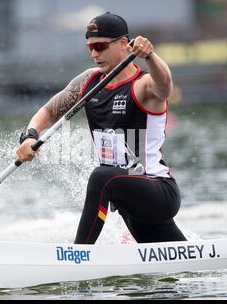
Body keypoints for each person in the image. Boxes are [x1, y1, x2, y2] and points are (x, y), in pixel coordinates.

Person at [16, 12, 187, 244]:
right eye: (90, 48)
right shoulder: (88, 82)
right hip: (126, 197)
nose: (95, 54)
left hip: (156, 190)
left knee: (100, 177)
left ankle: (80, 254)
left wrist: (151, 57)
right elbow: (48, 111)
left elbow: (165, 85)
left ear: (124, 44)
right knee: (170, 256)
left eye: (100, 46)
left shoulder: (143, 85)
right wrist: (29, 137)